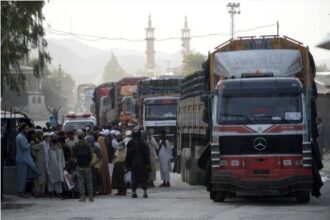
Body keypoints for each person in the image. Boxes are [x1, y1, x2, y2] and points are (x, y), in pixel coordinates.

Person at [16, 123, 40, 198]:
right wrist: (30, 144)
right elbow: (24, 147)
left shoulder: (22, 136)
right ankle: (20, 192)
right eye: (26, 129)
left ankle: (22, 191)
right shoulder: (20, 137)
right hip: (22, 159)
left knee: (24, 176)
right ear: (22, 129)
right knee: (22, 176)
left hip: (24, 158)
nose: (27, 130)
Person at [126, 129, 150, 198]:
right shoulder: (143, 142)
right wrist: (148, 163)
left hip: (133, 163)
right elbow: (146, 154)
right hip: (143, 163)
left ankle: (134, 192)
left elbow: (128, 155)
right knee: (143, 177)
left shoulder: (130, 143)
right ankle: (145, 192)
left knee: (134, 177)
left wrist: (127, 164)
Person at [72, 130, 94, 202]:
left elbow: (73, 156)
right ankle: (91, 196)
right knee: (89, 182)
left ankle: (83, 196)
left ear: (78, 138)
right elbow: (91, 155)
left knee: (81, 182)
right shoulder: (87, 145)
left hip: (79, 166)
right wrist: (89, 162)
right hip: (87, 166)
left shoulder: (76, 146)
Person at [47, 133, 65, 199]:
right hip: (51, 166)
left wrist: (63, 165)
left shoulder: (59, 148)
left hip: (59, 166)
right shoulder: (48, 149)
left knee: (58, 180)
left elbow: (62, 157)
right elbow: (47, 159)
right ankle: (51, 192)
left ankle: (58, 192)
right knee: (51, 179)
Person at [31, 129, 47, 198]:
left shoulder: (42, 143)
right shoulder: (40, 144)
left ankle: (41, 192)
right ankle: (38, 192)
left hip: (42, 162)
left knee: (42, 177)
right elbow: (32, 148)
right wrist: (35, 155)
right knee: (38, 177)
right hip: (39, 162)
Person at [97, 130, 112, 194]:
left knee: (102, 175)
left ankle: (102, 190)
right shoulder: (105, 146)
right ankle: (107, 189)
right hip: (105, 163)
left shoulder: (99, 145)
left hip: (101, 164)